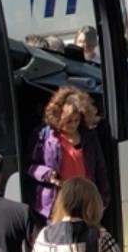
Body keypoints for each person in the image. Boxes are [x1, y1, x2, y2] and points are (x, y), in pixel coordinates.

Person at [29, 85, 111, 221]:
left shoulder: (90, 137)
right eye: (68, 121)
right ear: (57, 117)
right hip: (58, 204)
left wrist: (103, 200)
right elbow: (31, 167)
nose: (73, 125)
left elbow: (100, 169)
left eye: (76, 120)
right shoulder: (44, 137)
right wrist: (48, 175)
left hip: (85, 201)